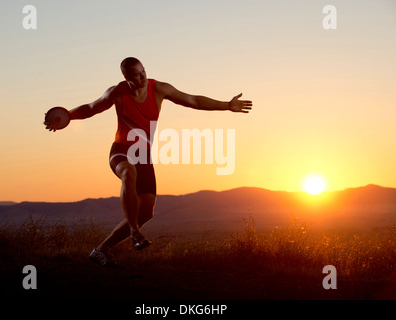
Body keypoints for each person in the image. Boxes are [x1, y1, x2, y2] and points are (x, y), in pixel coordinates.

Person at [45, 57, 252, 267]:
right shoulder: (117, 92)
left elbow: (193, 100)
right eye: (135, 74)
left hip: (143, 155)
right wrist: (65, 116)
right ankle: (135, 232)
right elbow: (91, 108)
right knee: (128, 173)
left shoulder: (159, 89)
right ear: (126, 77)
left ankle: (100, 250)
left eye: (143, 71)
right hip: (121, 150)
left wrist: (227, 105)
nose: (141, 77)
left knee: (146, 212)